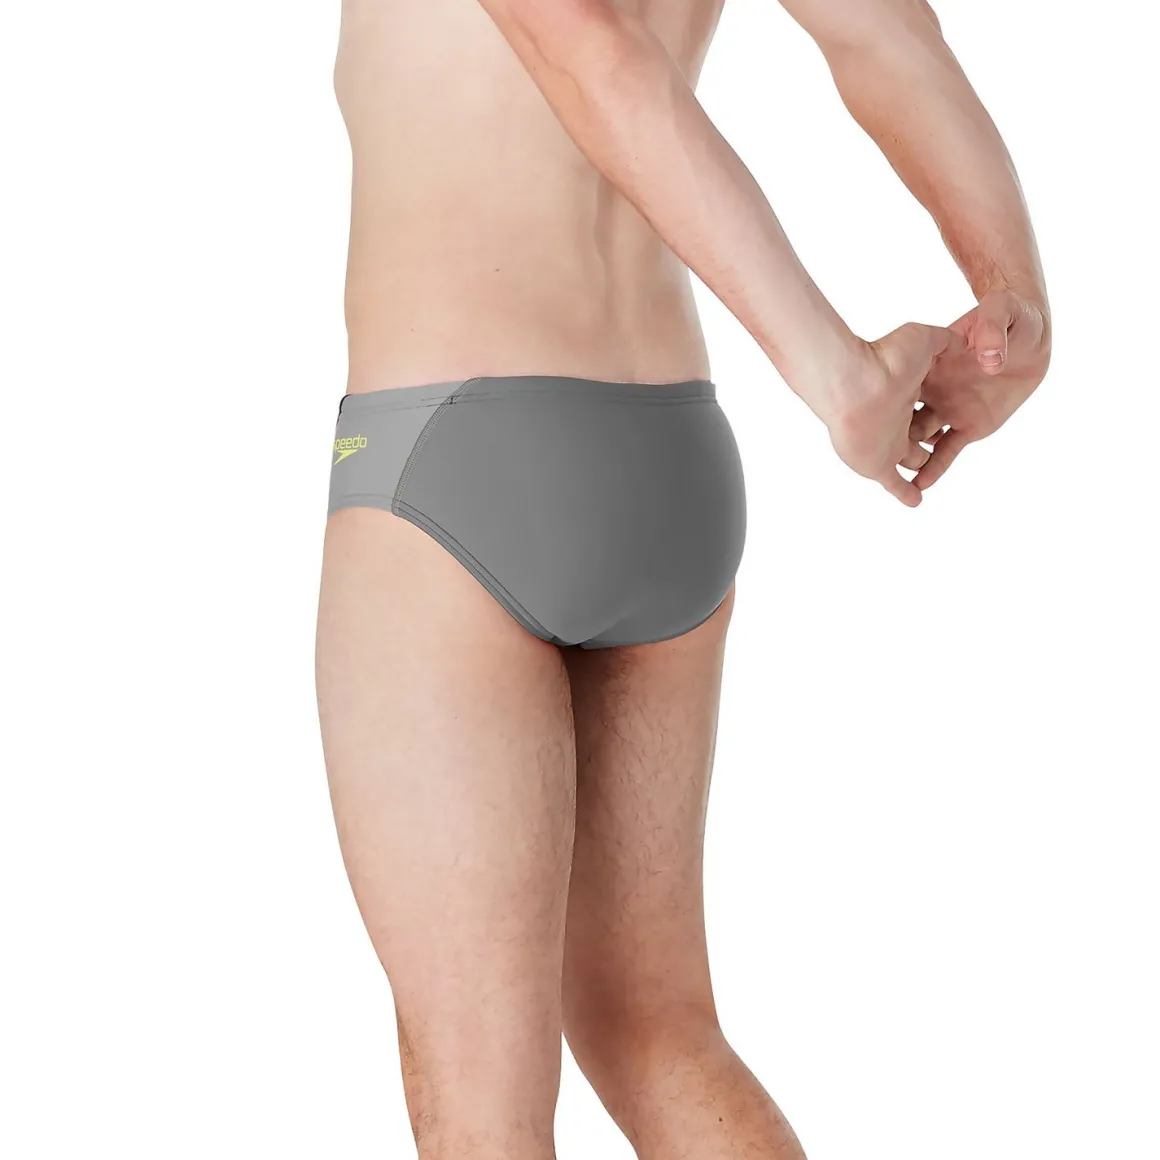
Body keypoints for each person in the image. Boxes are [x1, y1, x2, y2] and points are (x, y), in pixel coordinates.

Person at [315, 1, 1051, 1157]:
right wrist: (1014, 295)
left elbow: (584, 46)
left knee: (479, 1087)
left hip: (448, 450)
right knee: (656, 1031)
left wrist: (834, 372)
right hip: (669, 451)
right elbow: (883, 37)